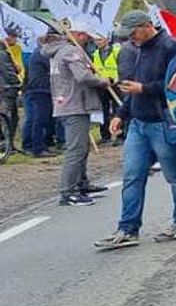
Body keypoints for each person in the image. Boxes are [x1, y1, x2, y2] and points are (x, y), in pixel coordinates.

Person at [93, 12, 176, 249]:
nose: (130, 38)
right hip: (138, 123)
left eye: (133, 33)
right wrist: (120, 114)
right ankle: (128, 229)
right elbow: (133, 88)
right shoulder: (138, 49)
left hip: (163, 123)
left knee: (175, 175)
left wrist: (145, 88)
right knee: (132, 176)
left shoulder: (173, 47)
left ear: (147, 26)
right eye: (127, 35)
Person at [43, 28, 111, 206]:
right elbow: (82, 76)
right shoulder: (71, 51)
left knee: (82, 147)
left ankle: (81, 183)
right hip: (75, 104)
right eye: (87, 35)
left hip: (64, 103)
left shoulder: (56, 53)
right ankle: (69, 192)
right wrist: (103, 81)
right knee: (76, 150)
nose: (89, 38)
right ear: (78, 34)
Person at [20, 33, 56, 157]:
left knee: (39, 119)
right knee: (38, 119)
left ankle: (38, 145)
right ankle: (37, 147)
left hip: (38, 89)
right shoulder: (41, 55)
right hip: (40, 90)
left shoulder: (38, 54)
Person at [91, 34, 121, 144]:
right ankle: (105, 135)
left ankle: (120, 134)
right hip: (102, 85)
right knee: (104, 110)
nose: (97, 42)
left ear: (107, 40)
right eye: (95, 40)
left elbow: (121, 67)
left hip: (116, 84)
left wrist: (114, 79)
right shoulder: (95, 54)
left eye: (100, 39)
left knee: (118, 110)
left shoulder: (116, 51)